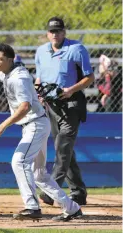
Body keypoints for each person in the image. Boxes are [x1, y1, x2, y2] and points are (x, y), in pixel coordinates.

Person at [0, 40, 82, 221]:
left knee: (19, 161)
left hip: (35, 125)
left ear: (10, 59)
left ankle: (32, 206)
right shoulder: (8, 73)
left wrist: (3, 125)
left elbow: (24, 106)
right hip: (35, 125)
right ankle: (71, 208)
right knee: (39, 174)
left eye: (0, 59)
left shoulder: (19, 78)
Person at [35, 17, 94, 206]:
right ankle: (78, 191)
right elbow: (39, 78)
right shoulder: (41, 51)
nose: (55, 34)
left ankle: (51, 191)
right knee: (65, 150)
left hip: (72, 105)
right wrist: (39, 96)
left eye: (58, 31)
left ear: (64, 32)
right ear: (47, 33)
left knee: (62, 147)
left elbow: (90, 77)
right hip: (52, 106)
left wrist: (71, 90)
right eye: (52, 31)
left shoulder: (76, 49)